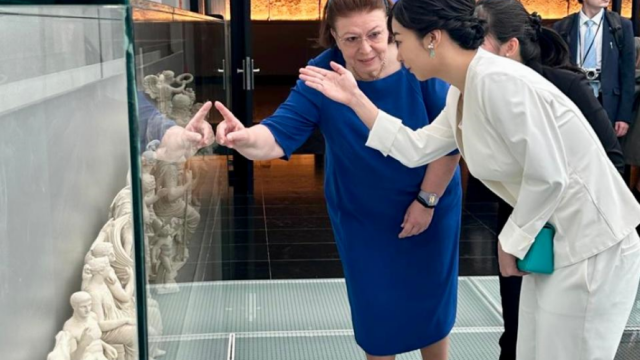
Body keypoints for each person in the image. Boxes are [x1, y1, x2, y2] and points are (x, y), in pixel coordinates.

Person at [298, 0, 640, 359]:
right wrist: (355, 99)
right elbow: (417, 148)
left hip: (594, 247)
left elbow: (549, 176)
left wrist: (510, 240)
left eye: (398, 40)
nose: (393, 54)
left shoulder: (498, 81)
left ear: (431, 39)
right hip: (557, 243)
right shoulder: (465, 89)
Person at [214, 1, 462, 358]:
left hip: (432, 203)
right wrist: (244, 138)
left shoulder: (418, 59)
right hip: (363, 216)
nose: (365, 49)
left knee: (432, 309)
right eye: (351, 38)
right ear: (333, 37)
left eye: (375, 34)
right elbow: (278, 133)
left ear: (391, 27)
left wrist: (426, 201)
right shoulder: (323, 73)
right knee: (375, 315)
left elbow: (448, 142)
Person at [473, 1, 625, 358]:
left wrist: (560, 208)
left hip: (575, 235)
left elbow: (611, 163)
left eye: (476, 39)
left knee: (562, 340)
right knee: (516, 329)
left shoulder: (564, 85)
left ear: (508, 46)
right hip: (519, 225)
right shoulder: (481, 91)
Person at [553, 0, 636, 139]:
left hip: (607, 100)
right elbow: (555, 70)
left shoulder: (621, 26)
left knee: (606, 151)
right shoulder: (563, 26)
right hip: (574, 98)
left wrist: (624, 116)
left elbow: (628, 74)